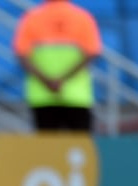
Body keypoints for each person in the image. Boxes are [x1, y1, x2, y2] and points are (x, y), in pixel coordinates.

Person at [12, 0, 102, 132]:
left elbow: (21, 55)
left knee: (47, 150)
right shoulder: (82, 17)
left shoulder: (32, 17)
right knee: (80, 148)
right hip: (76, 95)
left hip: (43, 94)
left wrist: (48, 81)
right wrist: (63, 80)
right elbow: (92, 53)